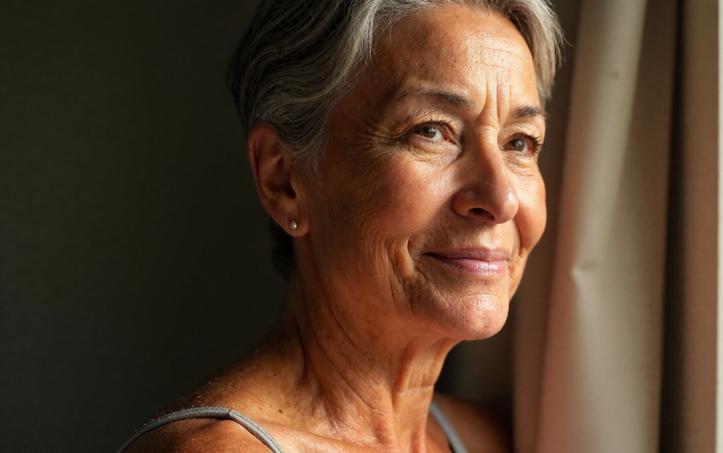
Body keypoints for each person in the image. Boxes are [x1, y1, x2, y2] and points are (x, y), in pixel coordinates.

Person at [118, 0, 561, 451]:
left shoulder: (495, 438)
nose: (501, 199)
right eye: (430, 131)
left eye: (520, 142)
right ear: (284, 180)